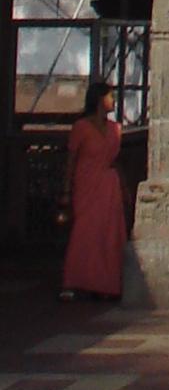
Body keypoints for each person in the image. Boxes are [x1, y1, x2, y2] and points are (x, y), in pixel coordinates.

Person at [57, 80, 128, 301]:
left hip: (109, 184)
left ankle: (106, 284)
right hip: (87, 182)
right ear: (99, 99)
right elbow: (71, 159)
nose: (113, 100)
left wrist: (124, 187)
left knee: (108, 234)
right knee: (85, 230)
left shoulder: (115, 128)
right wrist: (66, 190)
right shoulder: (82, 127)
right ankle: (73, 281)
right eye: (110, 96)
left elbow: (115, 160)